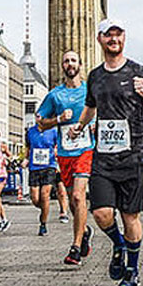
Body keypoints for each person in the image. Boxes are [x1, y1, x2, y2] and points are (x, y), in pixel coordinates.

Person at [67, 18, 143, 286]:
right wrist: (80, 125)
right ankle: (119, 244)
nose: (114, 39)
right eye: (108, 35)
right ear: (99, 39)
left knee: (130, 217)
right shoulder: (96, 76)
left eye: (118, 34)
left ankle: (132, 271)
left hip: (134, 155)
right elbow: (91, 107)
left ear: (124, 38)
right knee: (101, 214)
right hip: (104, 156)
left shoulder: (138, 71)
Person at [36, 50, 94, 265]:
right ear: (62, 66)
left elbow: (103, 111)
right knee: (72, 201)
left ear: (80, 64)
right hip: (64, 153)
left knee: (79, 197)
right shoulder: (55, 95)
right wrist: (58, 119)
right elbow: (41, 123)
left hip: (86, 149)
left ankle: (76, 247)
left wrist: (94, 124)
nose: (70, 64)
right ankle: (84, 230)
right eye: (66, 61)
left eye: (73, 60)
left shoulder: (90, 90)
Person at [25, 121, 59, 235]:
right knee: (35, 199)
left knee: (45, 195)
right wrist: (25, 159)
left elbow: (58, 146)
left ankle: (43, 224)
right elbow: (28, 147)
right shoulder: (31, 131)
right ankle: (45, 208)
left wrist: (58, 159)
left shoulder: (53, 131)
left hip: (49, 166)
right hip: (34, 167)